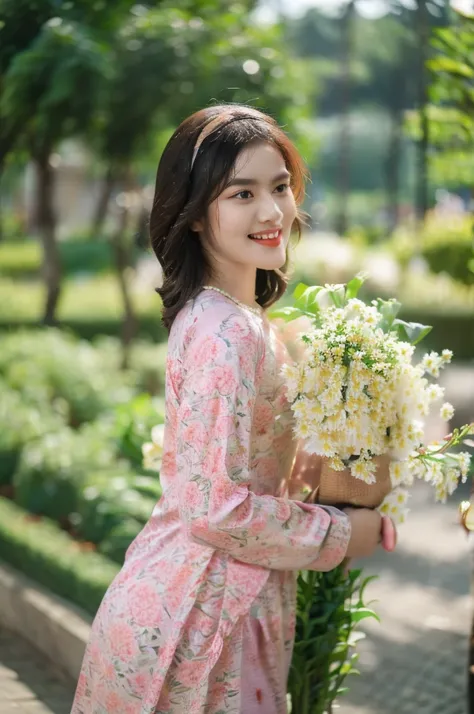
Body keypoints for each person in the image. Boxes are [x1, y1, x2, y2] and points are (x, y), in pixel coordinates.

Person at [71, 104, 395, 714]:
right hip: (207, 617)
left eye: (280, 187)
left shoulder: (228, 317)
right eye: (241, 193)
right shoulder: (229, 334)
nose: (272, 213)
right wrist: (341, 532)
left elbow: (240, 475)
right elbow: (213, 509)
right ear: (195, 216)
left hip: (210, 596)